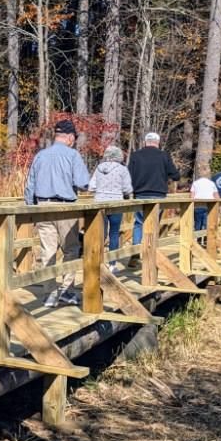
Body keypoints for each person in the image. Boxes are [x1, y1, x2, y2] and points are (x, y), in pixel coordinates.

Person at [25, 119, 91, 307]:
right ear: (70, 137)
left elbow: (30, 185)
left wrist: (30, 209)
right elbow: (83, 183)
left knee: (47, 250)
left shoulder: (40, 156)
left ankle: (49, 294)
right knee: (71, 249)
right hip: (65, 208)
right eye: (74, 138)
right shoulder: (72, 155)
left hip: (43, 207)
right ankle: (67, 290)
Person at [127, 132, 181, 246]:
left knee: (139, 223)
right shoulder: (164, 156)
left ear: (145, 142)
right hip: (158, 194)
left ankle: (135, 253)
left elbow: (128, 175)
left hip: (140, 194)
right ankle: (150, 253)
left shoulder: (135, 155)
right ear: (158, 142)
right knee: (154, 223)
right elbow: (175, 176)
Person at [88, 145, 132, 273]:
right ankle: (112, 264)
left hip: (99, 203)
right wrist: (126, 195)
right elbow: (127, 189)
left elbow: (91, 187)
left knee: (100, 233)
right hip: (116, 203)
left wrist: (101, 190)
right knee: (114, 233)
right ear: (119, 156)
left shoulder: (99, 168)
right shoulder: (122, 169)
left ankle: (97, 262)